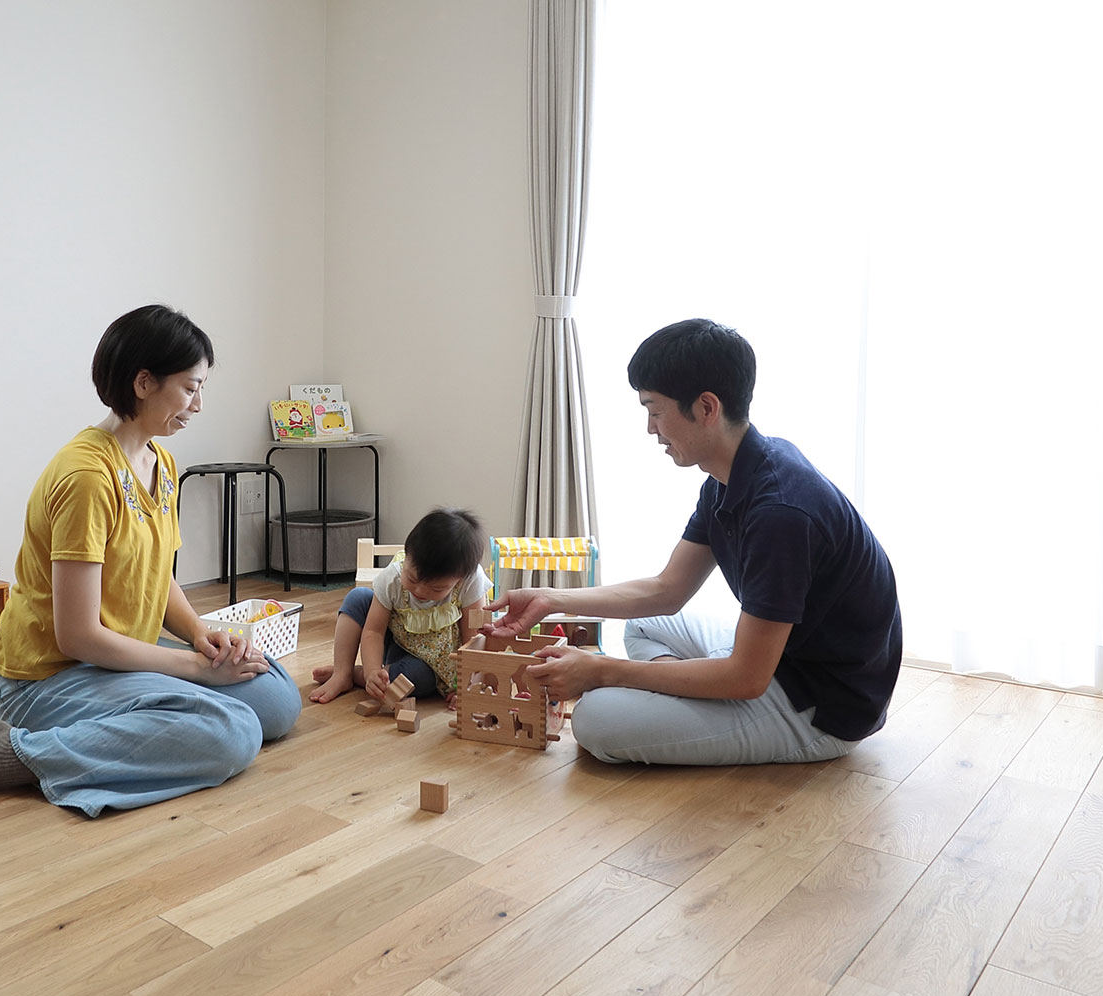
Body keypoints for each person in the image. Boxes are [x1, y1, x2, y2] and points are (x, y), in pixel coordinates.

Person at [0, 305, 302, 816]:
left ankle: (135, 719)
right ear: (143, 382)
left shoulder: (162, 463)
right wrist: (193, 668)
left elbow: (157, 576)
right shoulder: (87, 477)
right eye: (190, 388)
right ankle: (11, 752)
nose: (199, 404)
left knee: (276, 699)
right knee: (233, 732)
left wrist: (199, 636)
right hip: (52, 676)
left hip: (118, 657)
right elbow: (77, 637)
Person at [493, 318, 901, 766]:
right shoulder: (734, 474)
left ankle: (697, 692)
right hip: (778, 659)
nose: (651, 428)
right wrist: (550, 599)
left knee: (595, 720)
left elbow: (747, 678)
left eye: (655, 411)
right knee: (644, 626)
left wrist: (604, 671)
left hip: (820, 706)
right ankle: (696, 690)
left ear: (706, 407)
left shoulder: (780, 513)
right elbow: (666, 590)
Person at [309, 508, 492, 707]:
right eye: (412, 578)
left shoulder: (471, 581)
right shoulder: (392, 578)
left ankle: (357, 675)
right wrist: (372, 670)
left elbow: (474, 640)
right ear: (406, 557)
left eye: (436, 588)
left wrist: (468, 686)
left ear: (460, 579)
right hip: (397, 641)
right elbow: (373, 632)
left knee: (412, 678)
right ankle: (342, 672)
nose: (419, 591)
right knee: (358, 597)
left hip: (433, 664)